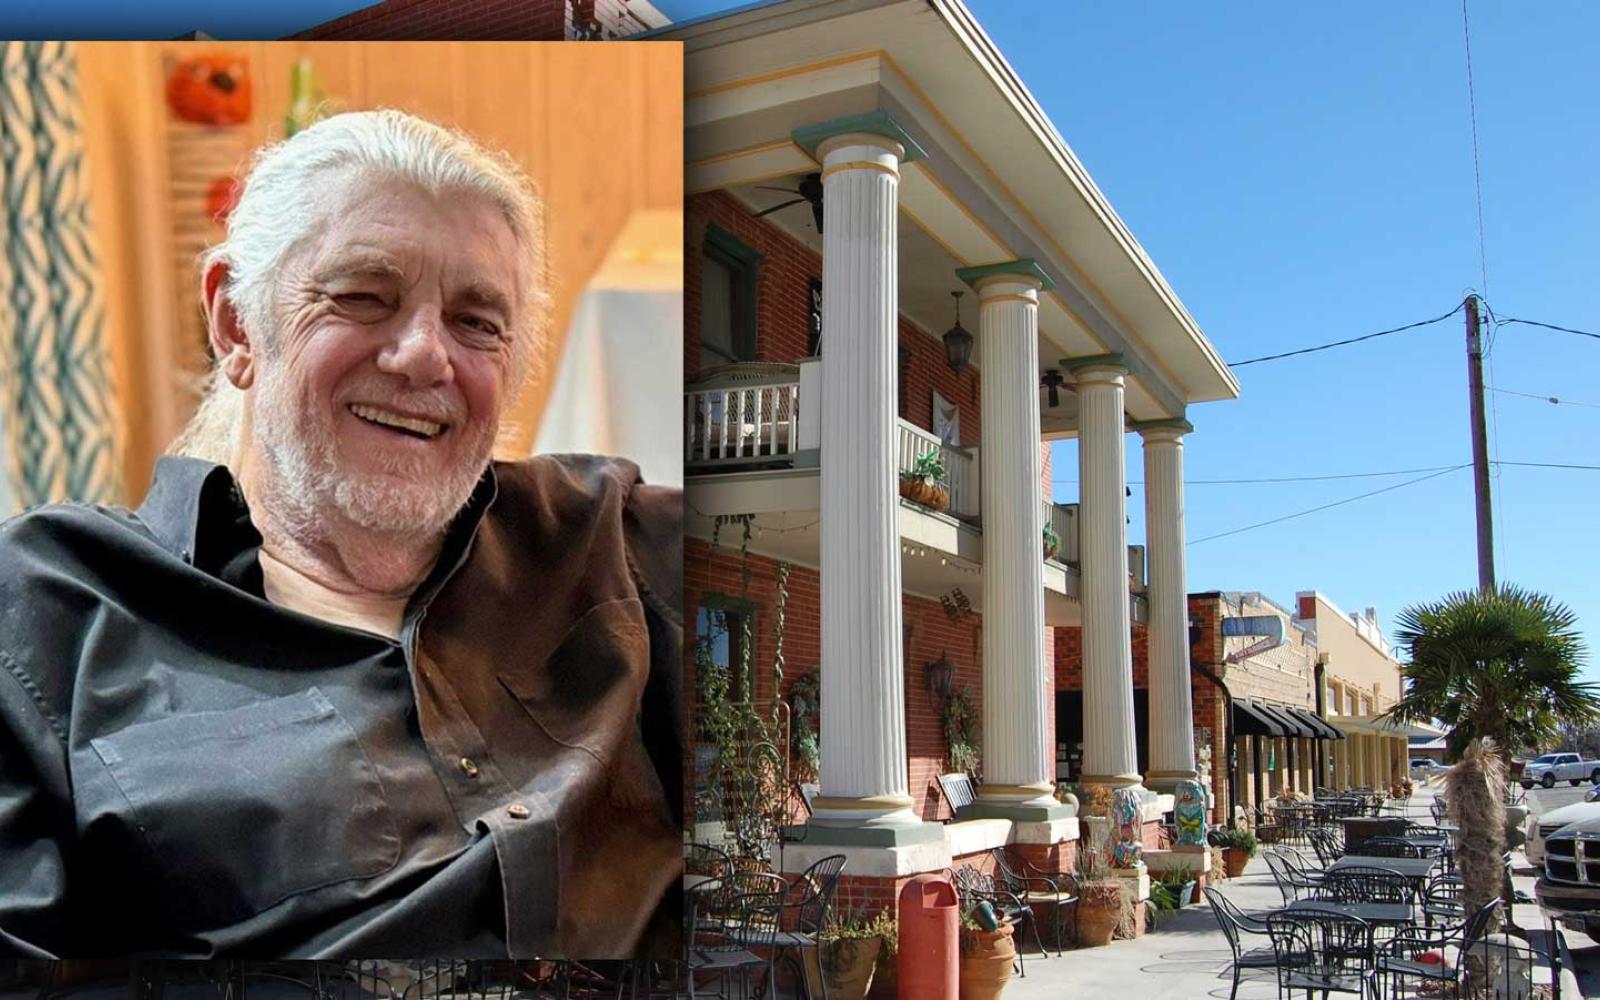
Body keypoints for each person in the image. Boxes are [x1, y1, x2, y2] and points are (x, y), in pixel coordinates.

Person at [0, 110, 682, 959]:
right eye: (363, 297)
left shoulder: (609, 537)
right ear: (237, 323)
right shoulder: (49, 609)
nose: (425, 355)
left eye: (477, 321)